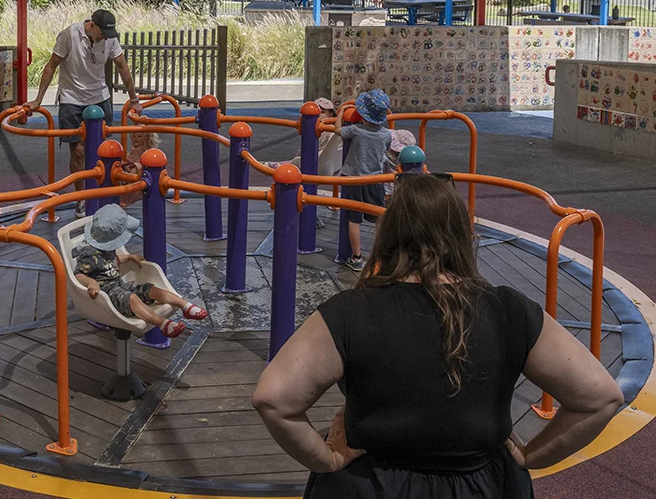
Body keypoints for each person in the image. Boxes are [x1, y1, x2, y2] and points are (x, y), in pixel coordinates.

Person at [252, 175, 625, 498]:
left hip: (374, 485)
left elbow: (273, 399)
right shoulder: (509, 310)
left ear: (389, 233)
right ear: (464, 235)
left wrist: (325, 457)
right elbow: (600, 398)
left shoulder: (351, 310)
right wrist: (533, 455)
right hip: (481, 486)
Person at [26, 10, 139, 217]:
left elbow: (122, 67)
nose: (104, 37)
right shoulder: (70, 35)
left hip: (99, 97)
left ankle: (103, 196)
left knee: (104, 150)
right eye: (102, 33)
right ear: (92, 25)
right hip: (72, 98)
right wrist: (38, 100)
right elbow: (51, 66)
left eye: (108, 34)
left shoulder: (110, 39)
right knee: (78, 150)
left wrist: (134, 100)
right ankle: (82, 198)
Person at [73, 205, 208, 338]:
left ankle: (185, 306)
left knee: (151, 289)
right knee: (132, 298)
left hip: (119, 285)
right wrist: (90, 282)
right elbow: (78, 274)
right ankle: (161, 323)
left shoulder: (106, 245)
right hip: (106, 294)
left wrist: (129, 257)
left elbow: (111, 261)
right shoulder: (89, 253)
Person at [336, 89, 392, 272]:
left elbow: (338, 130)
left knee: (354, 220)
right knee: (379, 218)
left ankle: (356, 257)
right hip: (375, 179)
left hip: (353, 179)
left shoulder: (356, 130)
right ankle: (383, 254)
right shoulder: (387, 135)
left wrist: (341, 113)